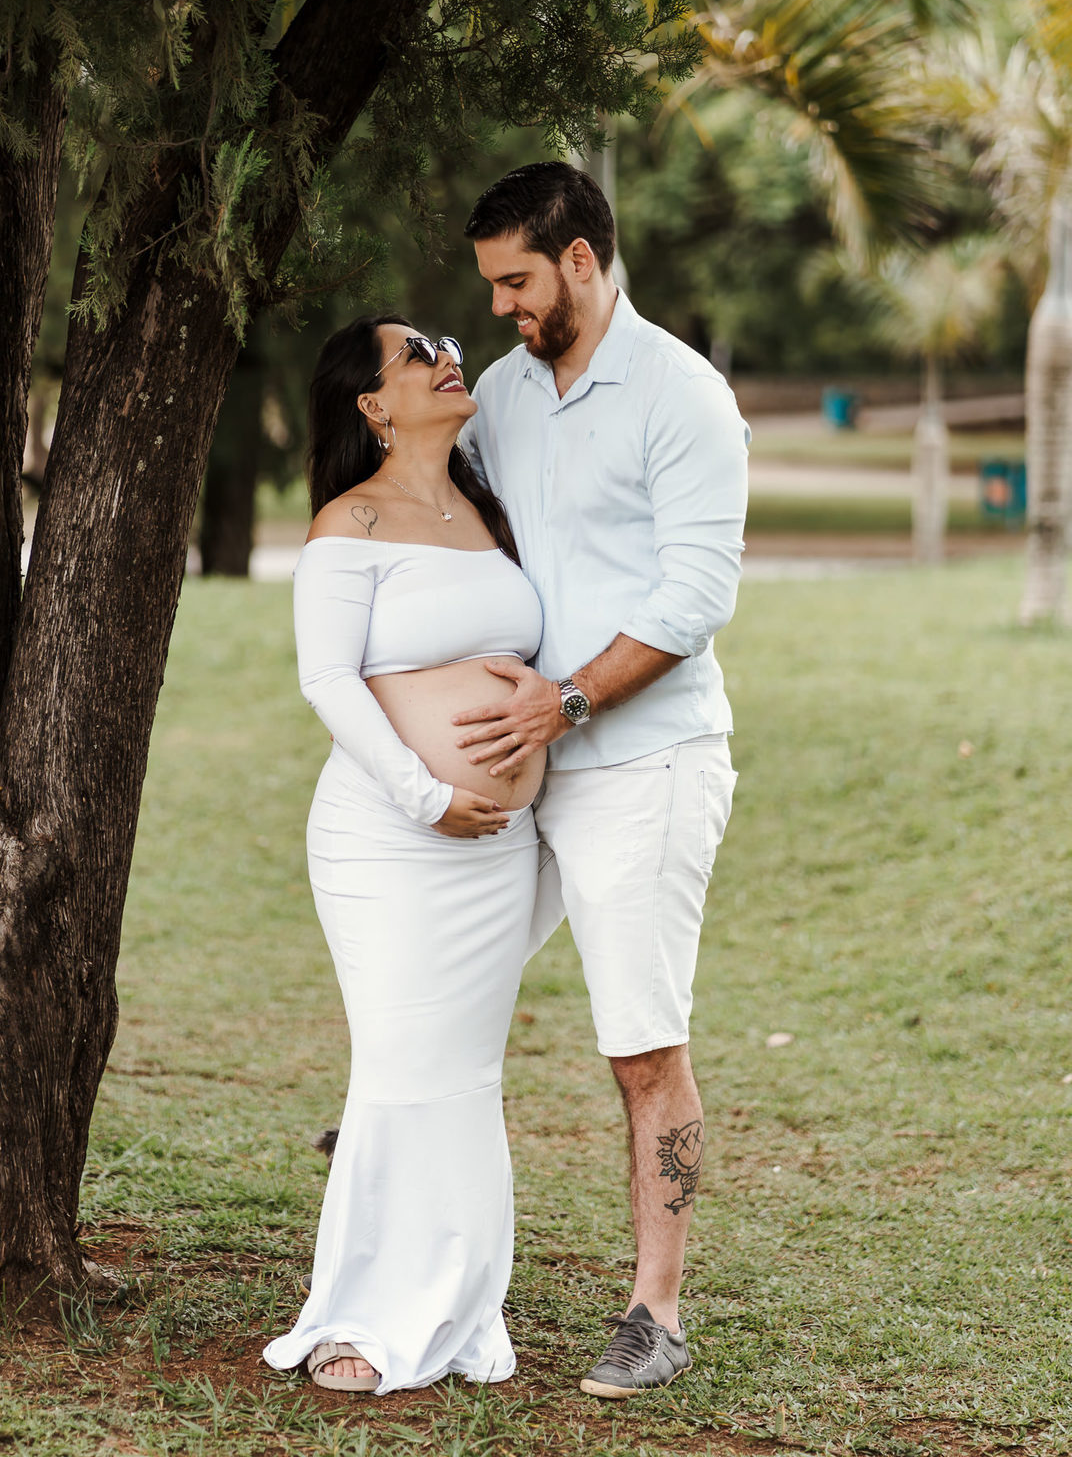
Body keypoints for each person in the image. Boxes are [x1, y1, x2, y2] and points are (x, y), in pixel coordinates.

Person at [457, 162, 749, 1399]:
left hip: (646, 763)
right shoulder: (504, 394)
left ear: (581, 259)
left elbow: (696, 597)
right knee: (453, 977)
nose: (502, 307)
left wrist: (565, 699)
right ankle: (407, 1193)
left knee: (641, 1043)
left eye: (517, 281)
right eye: (492, 286)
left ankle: (656, 1313)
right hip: (531, 767)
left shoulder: (684, 394)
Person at [261, 313, 546, 1395]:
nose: (446, 356)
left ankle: (464, 1306)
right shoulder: (351, 521)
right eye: (417, 352)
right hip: (387, 840)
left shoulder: (488, 510)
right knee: (399, 1067)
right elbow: (328, 680)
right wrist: (426, 795)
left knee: (465, 1076)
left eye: (446, 343)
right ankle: (362, 1316)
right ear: (373, 404)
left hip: (496, 853)